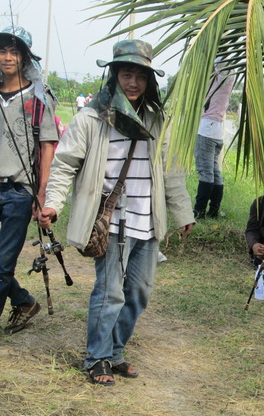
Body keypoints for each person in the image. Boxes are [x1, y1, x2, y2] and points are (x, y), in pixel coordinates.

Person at [38, 39, 195, 386]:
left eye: (140, 75)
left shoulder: (157, 121)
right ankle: (97, 358)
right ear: (114, 76)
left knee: (139, 293)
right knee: (109, 293)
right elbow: (64, 165)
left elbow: (171, 171)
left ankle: (115, 351)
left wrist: (183, 211)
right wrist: (53, 203)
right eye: (127, 74)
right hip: (109, 223)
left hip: (148, 223)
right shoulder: (92, 117)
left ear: (149, 81)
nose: (133, 82)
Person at [0, 25, 59, 345]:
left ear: (25, 57)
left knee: (4, 261)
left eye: (14, 51)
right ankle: (23, 300)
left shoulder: (39, 98)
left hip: (19, 191)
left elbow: (47, 147)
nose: (6, 57)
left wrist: (41, 194)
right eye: (1, 51)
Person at [193, 61, 235, 219]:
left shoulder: (224, 73)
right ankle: (213, 211)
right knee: (215, 171)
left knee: (206, 171)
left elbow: (216, 61)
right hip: (216, 130)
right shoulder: (226, 77)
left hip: (208, 128)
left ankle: (199, 211)